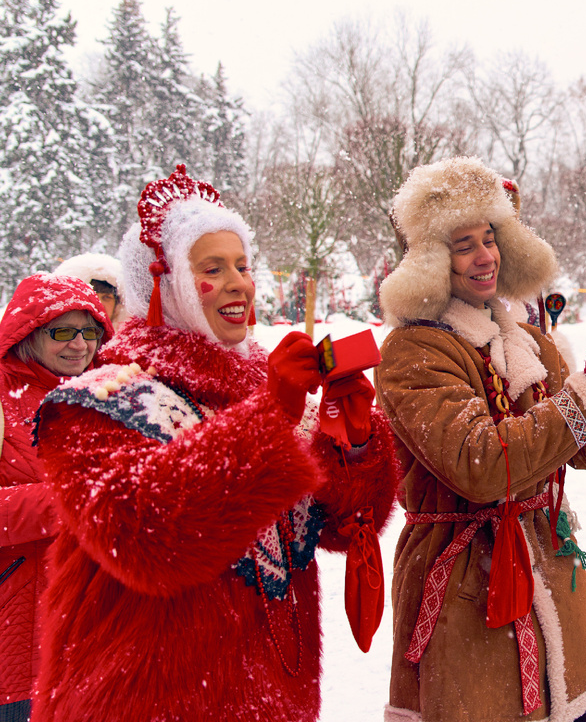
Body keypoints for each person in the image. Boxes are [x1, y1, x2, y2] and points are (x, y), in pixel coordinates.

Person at [31, 165, 397, 722]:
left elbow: (342, 529)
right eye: (212, 267)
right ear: (164, 283)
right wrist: (269, 416)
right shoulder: (96, 399)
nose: (238, 283)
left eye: (243, 265)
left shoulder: (269, 390)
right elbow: (147, 536)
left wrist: (354, 443)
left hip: (276, 697)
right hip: (146, 701)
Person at [375, 156, 586, 722]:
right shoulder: (414, 352)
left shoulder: (525, 338)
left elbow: (581, 449)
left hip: (548, 564)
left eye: (491, 237)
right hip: (464, 581)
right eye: (464, 244)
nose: (485, 256)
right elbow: (479, 465)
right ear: (431, 257)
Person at [0, 274, 111, 722]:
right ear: (28, 335)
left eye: (89, 331)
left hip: (97, 641)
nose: (79, 345)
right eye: (62, 332)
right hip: (19, 644)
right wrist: (71, 502)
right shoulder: (4, 401)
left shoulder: (110, 395)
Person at [53, 253, 127, 329]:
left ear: (117, 304)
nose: (99, 304)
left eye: (106, 297)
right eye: (91, 297)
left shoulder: (131, 340)